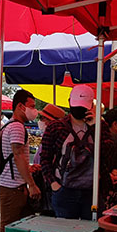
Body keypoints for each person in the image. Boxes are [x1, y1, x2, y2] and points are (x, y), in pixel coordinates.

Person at [0, 89, 41, 232]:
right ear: (21, 106)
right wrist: (31, 184)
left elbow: (17, 156)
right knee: (8, 227)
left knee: (20, 226)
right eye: (32, 106)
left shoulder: (10, 126)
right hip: (12, 187)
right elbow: (17, 155)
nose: (34, 110)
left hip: (12, 184)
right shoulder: (16, 127)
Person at [41, 85, 96, 220]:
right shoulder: (56, 127)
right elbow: (45, 158)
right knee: (65, 231)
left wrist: (96, 126)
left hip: (91, 192)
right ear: (69, 102)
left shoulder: (98, 127)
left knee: (91, 230)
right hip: (64, 190)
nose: (79, 109)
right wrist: (54, 184)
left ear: (91, 106)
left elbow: (108, 154)